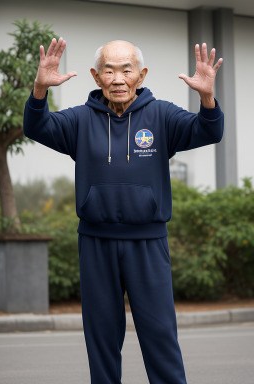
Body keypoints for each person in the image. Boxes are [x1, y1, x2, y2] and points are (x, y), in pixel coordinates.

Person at [23, 38, 224, 384]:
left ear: (141, 75)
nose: (118, 78)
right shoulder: (80, 120)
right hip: (95, 243)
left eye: (126, 69)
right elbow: (36, 127)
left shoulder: (162, 115)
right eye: (109, 70)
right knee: (101, 339)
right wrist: (39, 90)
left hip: (148, 244)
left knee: (160, 336)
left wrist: (207, 99)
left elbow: (209, 131)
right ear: (96, 76)